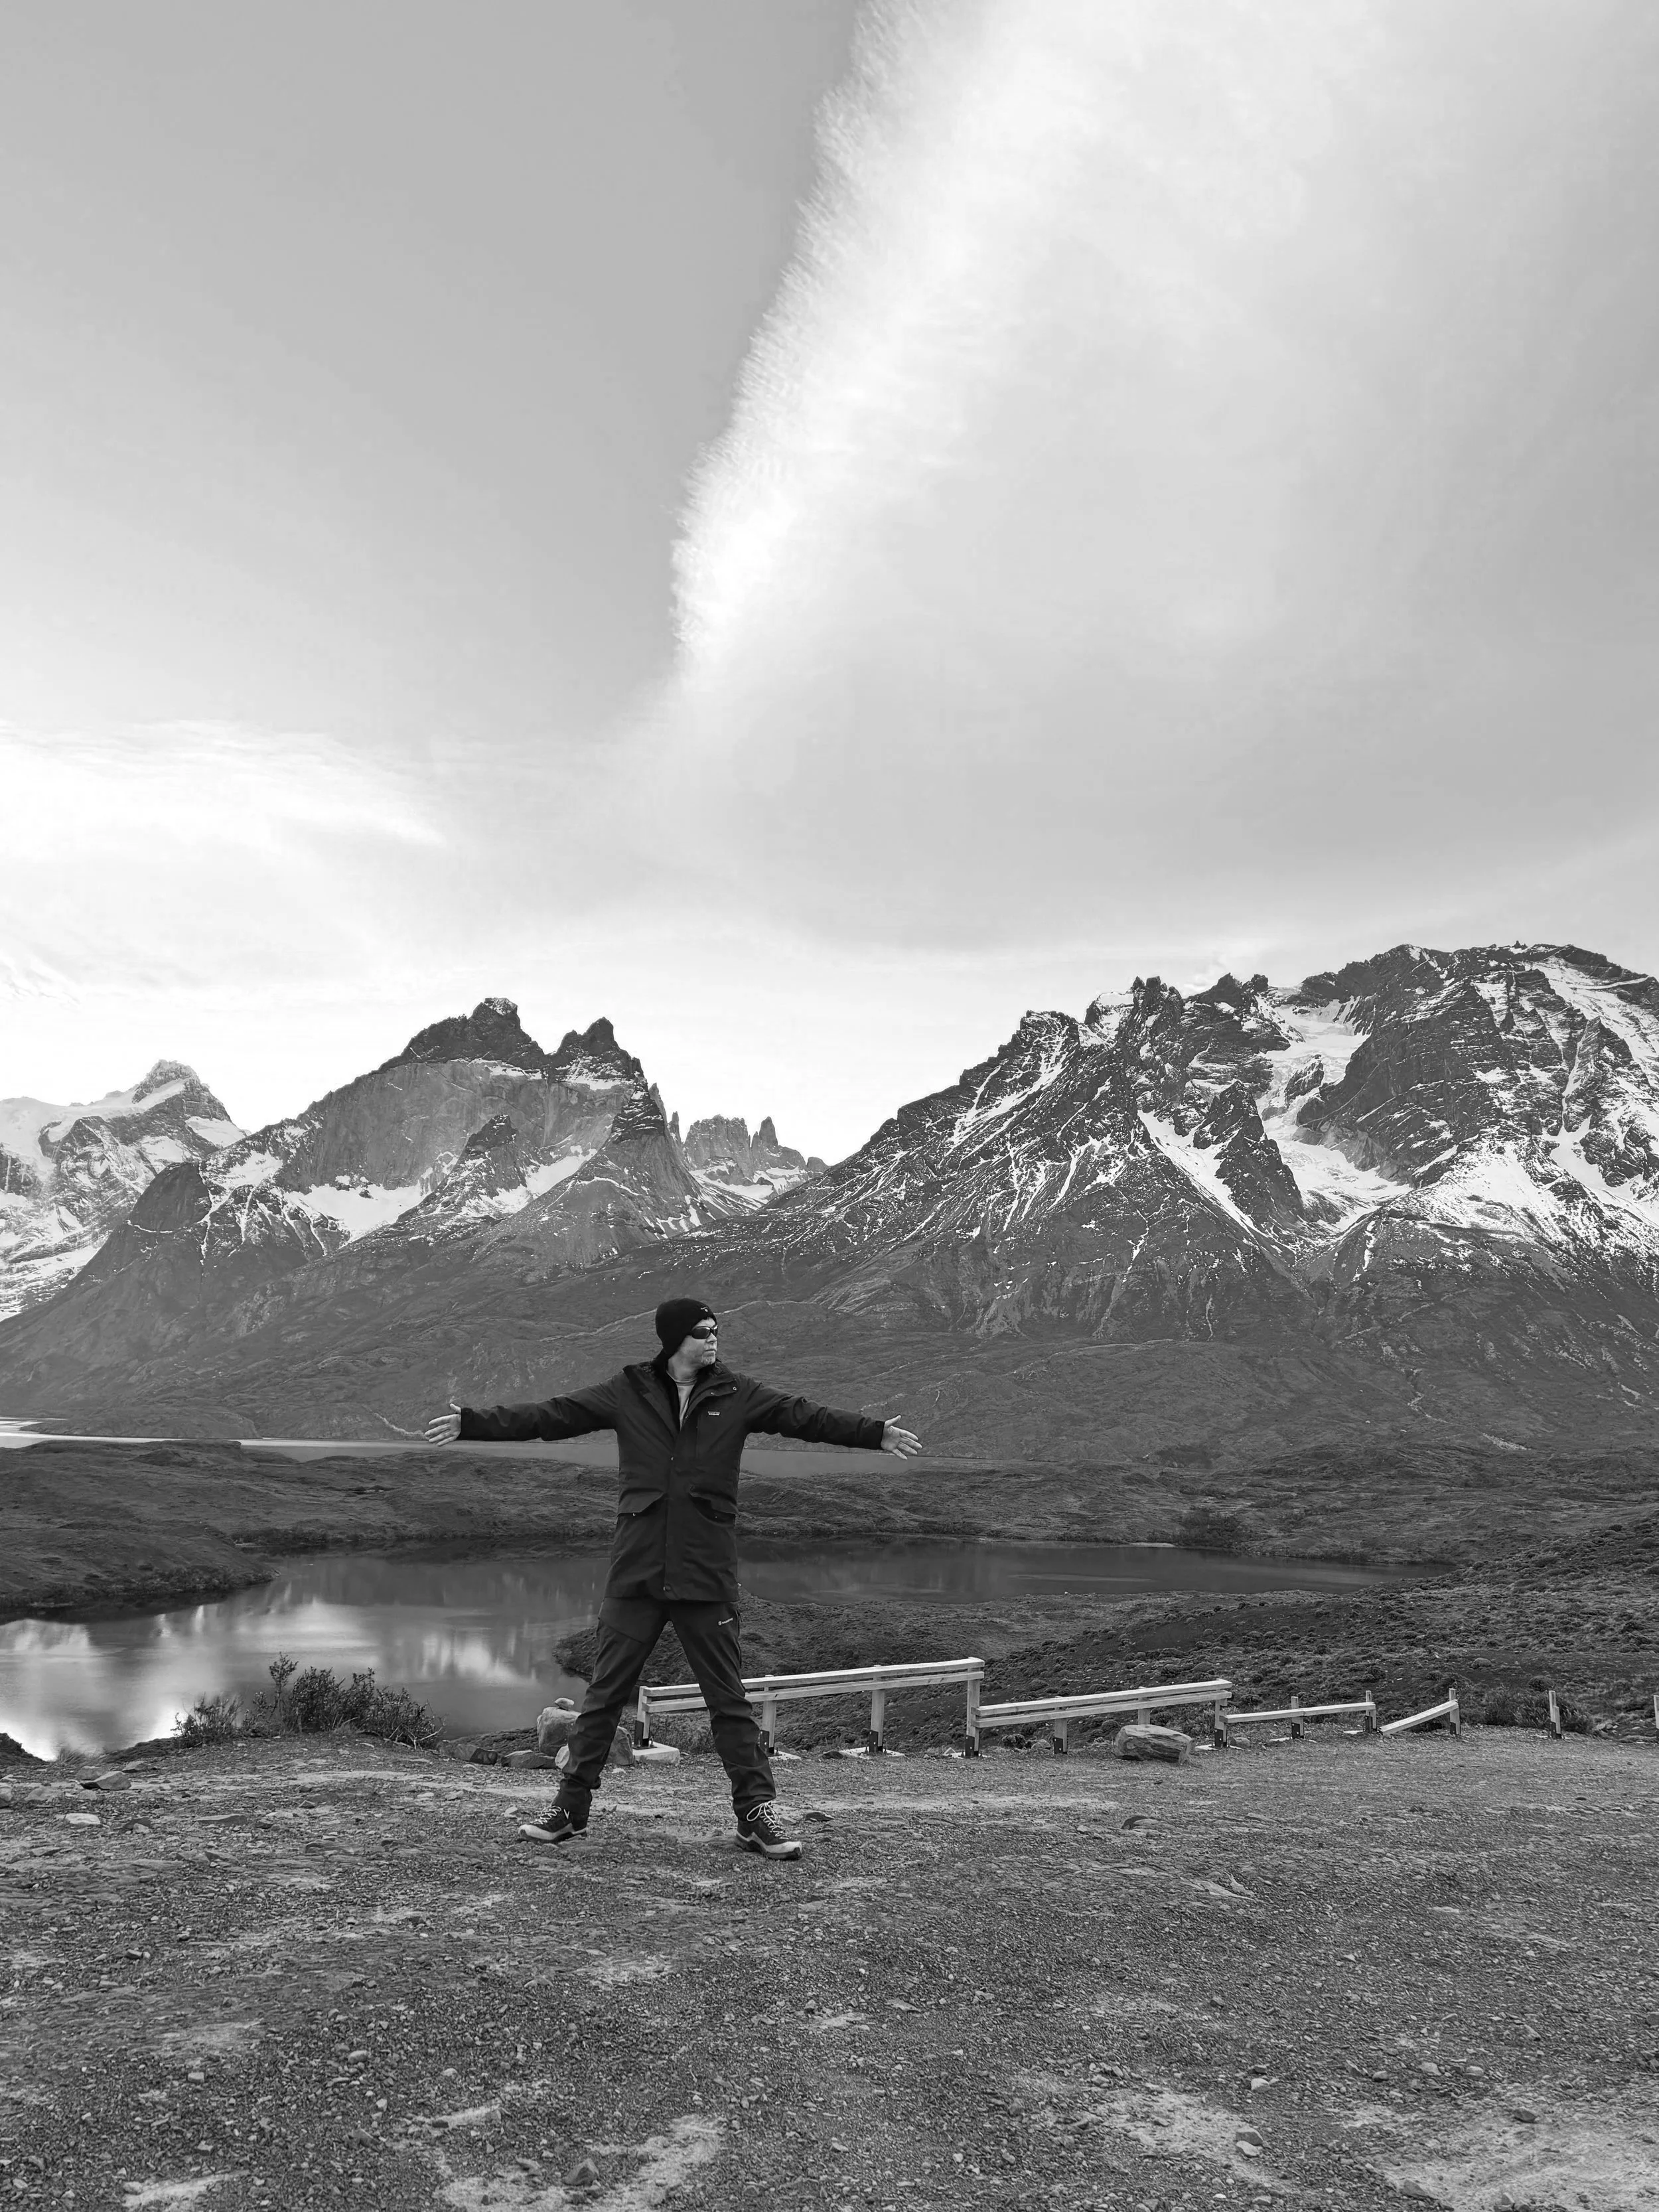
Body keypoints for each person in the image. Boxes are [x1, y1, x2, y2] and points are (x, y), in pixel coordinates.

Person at [424, 1296, 922, 1859]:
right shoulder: (628, 1389)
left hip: (704, 1573)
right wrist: (474, 1422)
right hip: (636, 1570)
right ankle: (569, 1809)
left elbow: (804, 1416)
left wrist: (873, 1432)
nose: (713, 1340)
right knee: (605, 1696)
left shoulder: (738, 1393)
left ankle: (756, 1815)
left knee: (728, 1700)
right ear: (673, 1339)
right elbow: (552, 1415)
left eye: (716, 1331)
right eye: (702, 1332)